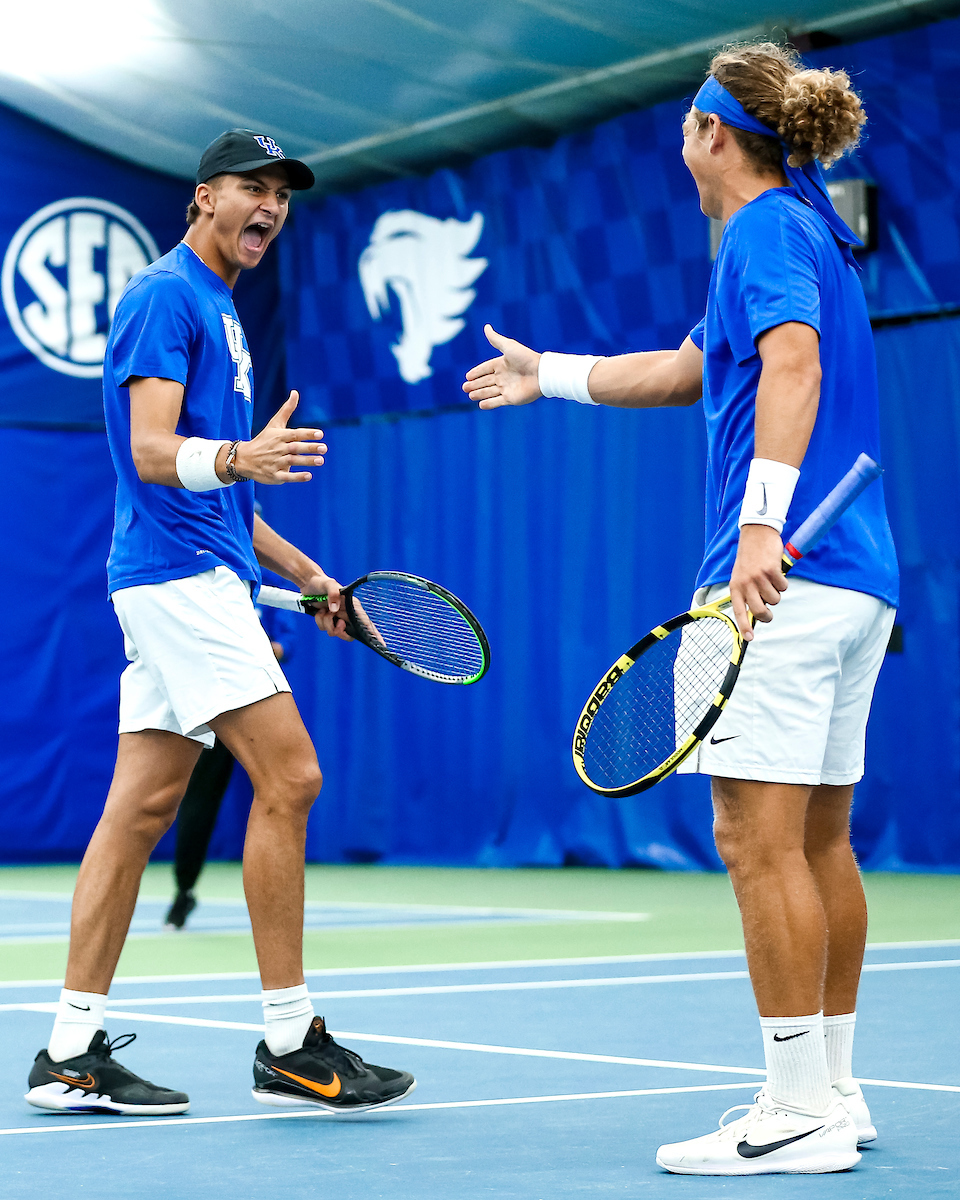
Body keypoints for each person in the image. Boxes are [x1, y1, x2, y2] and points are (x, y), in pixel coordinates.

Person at [463, 43, 897, 1176]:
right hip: (855, 582)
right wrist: (545, 373)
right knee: (820, 840)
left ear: (710, 133)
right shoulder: (807, 228)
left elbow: (791, 368)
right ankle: (835, 1092)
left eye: (682, 123)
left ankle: (796, 1107)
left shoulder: (759, 229)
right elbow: (687, 369)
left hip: (784, 576)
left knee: (755, 841)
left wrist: (760, 525)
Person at [26, 129, 415, 1117]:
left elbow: (230, 505)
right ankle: (290, 1042)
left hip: (193, 571)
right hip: (177, 580)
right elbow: (156, 455)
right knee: (291, 776)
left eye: (282, 194)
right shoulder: (165, 296)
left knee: (141, 810)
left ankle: (68, 1053)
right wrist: (240, 459)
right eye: (253, 187)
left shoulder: (221, 313)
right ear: (204, 197)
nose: (271, 207)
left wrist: (316, 578)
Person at [164, 574, 299, 931]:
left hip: (258, 699)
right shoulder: (196, 572)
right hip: (211, 701)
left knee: (291, 787)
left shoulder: (265, 581)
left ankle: (278, 910)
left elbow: (287, 643)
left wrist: (249, 648)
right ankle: (184, 891)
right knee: (196, 801)